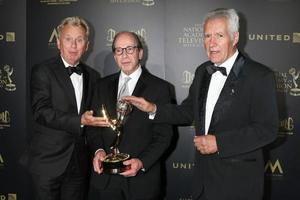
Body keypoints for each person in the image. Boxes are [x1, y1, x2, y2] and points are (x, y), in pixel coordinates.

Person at [124, 8, 278, 200]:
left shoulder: (259, 76)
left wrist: (219, 143)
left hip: (239, 184)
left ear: (235, 37)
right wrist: (153, 109)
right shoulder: (202, 71)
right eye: (207, 36)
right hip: (203, 183)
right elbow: (188, 111)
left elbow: (267, 129)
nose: (211, 43)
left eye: (219, 35)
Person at [21, 16, 102, 200]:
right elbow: (41, 112)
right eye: (68, 39)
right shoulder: (42, 70)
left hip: (79, 164)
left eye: (79, 39)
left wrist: (98, 150)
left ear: (87, 45)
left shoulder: (94, 76)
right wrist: (79, 120)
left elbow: (93, 122)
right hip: (47, 162)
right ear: (58, 42)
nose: (73, 45)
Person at [87, 31, 173, 200]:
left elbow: (164, 136)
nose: (124, 55)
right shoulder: (101, 85)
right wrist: (98, 150)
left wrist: (141, 162)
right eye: (119, 50)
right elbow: (93, 128)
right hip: (105, 181)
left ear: (140, 53)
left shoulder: (160, 88)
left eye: (130, 49)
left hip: (142, 182)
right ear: (114, 56)